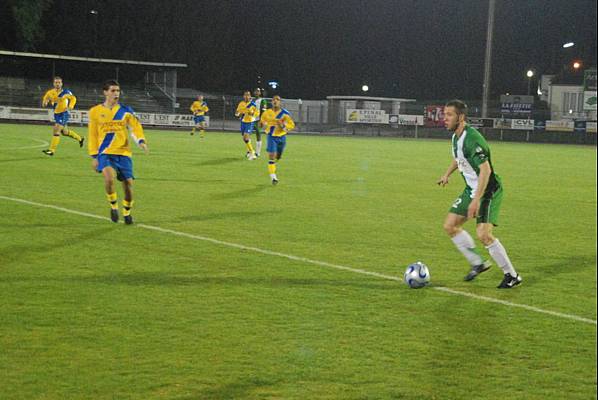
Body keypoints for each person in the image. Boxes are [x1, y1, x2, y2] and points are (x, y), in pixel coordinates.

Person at [437, 99, 522, 289]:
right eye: (445, 114)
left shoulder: (472, 138)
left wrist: (476, 200)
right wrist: (446, 174)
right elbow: (459, 157)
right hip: (472, 189)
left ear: (461, 117)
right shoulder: (455, 137)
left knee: (484, 234)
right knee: (450, 226)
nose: (445, 118)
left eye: (449, 115)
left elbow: (486, 171)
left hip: (488, 189)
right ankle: (478, 263)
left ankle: (512, 275)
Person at [88, 80, 148, 224]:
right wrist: (94, 156)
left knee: (128, 185)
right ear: (105, 92)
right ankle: (113, 206)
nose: (116, 93)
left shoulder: (126, 110)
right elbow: (93, 134)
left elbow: (135, 127)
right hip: (105, 152)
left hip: (123, 153)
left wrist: (141, 141)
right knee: (109, 179)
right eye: (113, 90)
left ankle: (127, 212)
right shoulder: (95, 111)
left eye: (118, 91)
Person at [41, 76, 84, 156]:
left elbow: (73, 98)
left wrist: (70, 107)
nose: (57, 84)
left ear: (61, 83)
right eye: (56, 82)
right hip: (57, 114)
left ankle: (51, 150)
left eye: (59, 82)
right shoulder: (50, 92)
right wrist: (45, 102)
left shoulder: (66, 92)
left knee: (56, 129)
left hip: (64, 113)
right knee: (64, 132)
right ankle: (80, 138)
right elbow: (46, 98)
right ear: (53, 83)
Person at [259, 95, 295, 185]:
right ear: (271, 102)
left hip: (281, 138)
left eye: (277, 100)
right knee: (272, 156)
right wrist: (261, 124)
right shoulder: (266, 113)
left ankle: (277, 158)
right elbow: (261, 123)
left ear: (280, 102)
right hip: (271, 137)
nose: (275, 101)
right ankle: (273, 177)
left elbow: (291, 126)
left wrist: (282, 125)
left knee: (278, 156)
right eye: (273, 99)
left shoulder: (285, 113)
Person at [235, 90, 258, 160]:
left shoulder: (253, 104)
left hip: (250, 122)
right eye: (245, 95)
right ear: (243, 96)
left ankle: (252, 152)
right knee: (245, 139)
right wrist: (237, 114)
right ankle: (249, 151)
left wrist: (252, 114)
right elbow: (237, 112)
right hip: (243, 122)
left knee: (246, 137)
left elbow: (257, 113)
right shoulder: (241, 104)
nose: (246, 96)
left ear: (250, 96)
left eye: (248, 95)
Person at [251, 88, 268, 157]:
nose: (256, 92)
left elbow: (264, 111)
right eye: (255, 91)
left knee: (258, 134)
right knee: (247, 134)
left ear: (260, 93)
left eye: (258, 91)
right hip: (251, 119)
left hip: (258, 119)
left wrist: (262, 120)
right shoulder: (252, 100)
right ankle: (250, 150)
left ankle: (258, 152)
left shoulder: (263, 100)